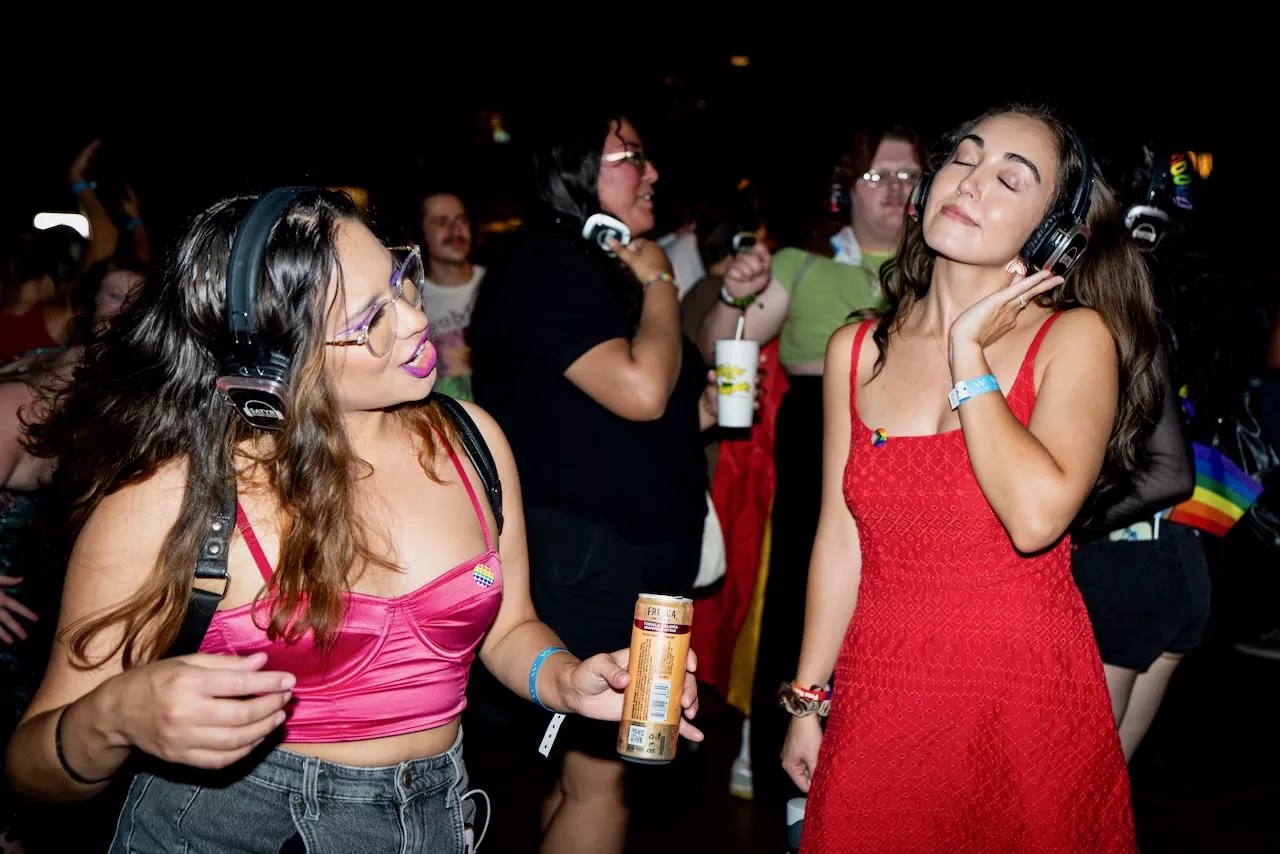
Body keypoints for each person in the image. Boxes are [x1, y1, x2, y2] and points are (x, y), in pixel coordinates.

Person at [3, 187, 701, 854]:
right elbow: (31, 768)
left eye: (401, 280)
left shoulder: (473, 442)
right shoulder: (172, 498)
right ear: (272, 361)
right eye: (370, 321)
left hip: (434, 822)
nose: (416, 320)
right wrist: (116, 718)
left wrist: (567, 679)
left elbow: (510, 628)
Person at [778, 103, 1162, 851]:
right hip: (882, 697)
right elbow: (839, 537)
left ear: (1051, 233)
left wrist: (968, 356)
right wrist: (806, 697)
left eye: (1010, 179)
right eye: (964, 158)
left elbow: (1036, 518)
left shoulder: (1074, 338)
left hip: (1020, 704)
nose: (970, 182)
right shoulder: (856, 350)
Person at [467, 104, 712, 854]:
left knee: (583, 777)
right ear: (573, 170)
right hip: (591, 556)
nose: (651, 171)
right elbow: (640, 391)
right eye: (630, 155)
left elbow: (631, 408)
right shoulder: (550, 265)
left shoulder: (594, 266)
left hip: (617, 549)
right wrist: (662, 281)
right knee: (604, 777)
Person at [701, 123, 925, 807]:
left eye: (910, 176)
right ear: (844, 187)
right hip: (816, 439)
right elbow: (721, 344)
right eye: (879, 175)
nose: (896, 190)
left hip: (911, 442)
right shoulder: (800, 263)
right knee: (806, 598)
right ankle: (788, 766)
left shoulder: (937, 269)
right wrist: (735, 295)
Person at [420, 190, 485, 401]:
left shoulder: (500, 284)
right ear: (421, 232)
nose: (455, 229)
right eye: (441, 222)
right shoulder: (413, 301)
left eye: (461, 220)